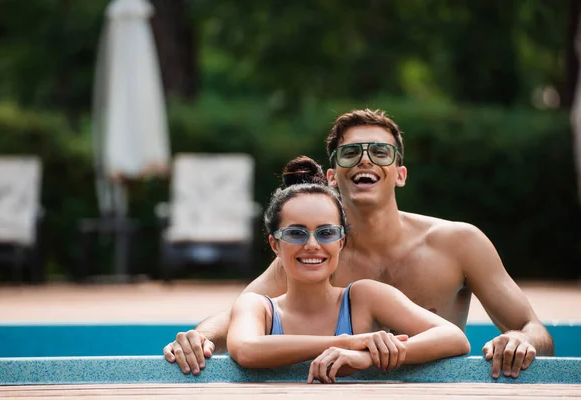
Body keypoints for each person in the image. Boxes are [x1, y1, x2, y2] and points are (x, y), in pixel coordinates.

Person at [164, 109, 554, 380]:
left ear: (399, 173)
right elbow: (240, 315)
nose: (365, 160)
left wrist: (520, 339)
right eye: (351, 153)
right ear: (332, 176)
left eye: (380, 152)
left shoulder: (459, 243)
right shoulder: (316, 252)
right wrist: (199, 336)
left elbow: (537, 332)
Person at [225, 156, 470, 383]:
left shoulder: (364, 297)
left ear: (341, 242)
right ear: (275, 244)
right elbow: (246, 349)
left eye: (326, 233)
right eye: (296, 233)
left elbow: (453, 337)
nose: (312, 245)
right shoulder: (257, 307)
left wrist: (369, 356)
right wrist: (350, 342)